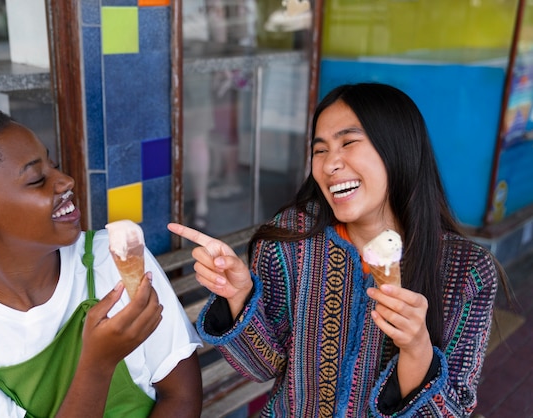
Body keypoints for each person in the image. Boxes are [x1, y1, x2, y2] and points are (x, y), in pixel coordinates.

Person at [168, 82, 508, 417]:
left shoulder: (467, 271)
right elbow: (261, 368)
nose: (330, 164)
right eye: (320, 150)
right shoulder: (290, 241)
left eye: (348, 142)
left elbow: (455, 409)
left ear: (399, 148)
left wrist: (416, 349)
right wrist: (239, 297)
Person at [0, 72, 203, 418]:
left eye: (54, 164)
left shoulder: (115, 261)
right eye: (37, 179)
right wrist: (96, 364)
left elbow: (181, 397)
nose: (66, 181)